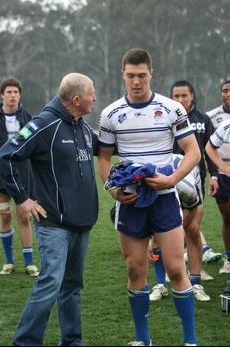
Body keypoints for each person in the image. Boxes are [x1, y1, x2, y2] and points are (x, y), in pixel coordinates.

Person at [98, 48, 200, 346]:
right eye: (131, 76)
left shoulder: (171, 108)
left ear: (151, 74)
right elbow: (104, 159)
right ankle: (143, 340)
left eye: (142, 75)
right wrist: (113, 189)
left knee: (175, 268)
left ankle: (190, 341)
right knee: (134, 268)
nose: (136, 81)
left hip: (165, 198)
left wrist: (171, 179)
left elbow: (192, 151)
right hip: (129, 202)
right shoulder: (110, 113)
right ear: (123, 75)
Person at [0, 72, 98, 346]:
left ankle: (72, 340)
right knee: (50, 284)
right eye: (92, 93)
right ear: (77, 99)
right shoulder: (43, 124)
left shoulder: (83, 126)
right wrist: (23, 199)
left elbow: (104, 149)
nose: (95, 98)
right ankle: (25, 342)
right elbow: (6, 156)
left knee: (72, 287)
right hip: (54, 223)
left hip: (82, 222)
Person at [171, 80, 221, 266]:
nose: (180, 99)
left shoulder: (203, 119)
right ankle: (175, 265)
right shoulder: (166, 118)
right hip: (170, 180)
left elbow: (210, 149)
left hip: (196, 180)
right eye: (176, 96)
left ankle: (194, 268)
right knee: (174, 224)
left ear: (192, 96)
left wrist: (214, 175)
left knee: (192, 226)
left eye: (184, 95)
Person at [150, 154, 211, 302]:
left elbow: (190, 210)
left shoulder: (186, 189)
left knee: (192, 230)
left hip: (190, 188)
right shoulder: (149, 184)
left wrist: (172, 235)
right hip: (162, 188)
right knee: (159, 232)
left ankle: (196, 284)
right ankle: (160, 284)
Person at [0, 78, 39, 276]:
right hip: (0, 175)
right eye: (9, 92)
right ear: (2, 95)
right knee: (4, 215)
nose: (13, 95)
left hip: (23, 174)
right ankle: (8, 262)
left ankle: (29, 263)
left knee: (24, 216)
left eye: (16, 92)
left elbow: (33, 146)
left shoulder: (27, 117)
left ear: (19, 95)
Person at [206, 81, 230, 275]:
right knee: (227, 217)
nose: (228, 94)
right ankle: (229, 258)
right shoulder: (213, 118)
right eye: (225, 90)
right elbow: (207, 145)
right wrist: (220, 168)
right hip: (223, 175)